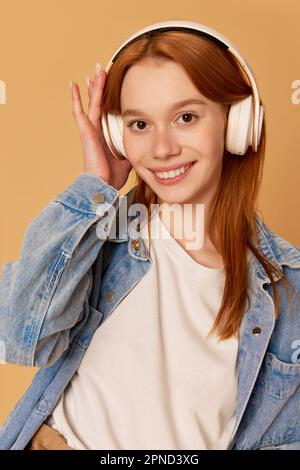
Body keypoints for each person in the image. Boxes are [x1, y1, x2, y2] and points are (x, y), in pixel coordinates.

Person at [0, 21, 300, 451]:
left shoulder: (289, 288)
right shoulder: (97, 236)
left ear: (238, 123)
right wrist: (94, 186)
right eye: (139, 124)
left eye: (186, 117)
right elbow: (17, 338)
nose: (161, 149)